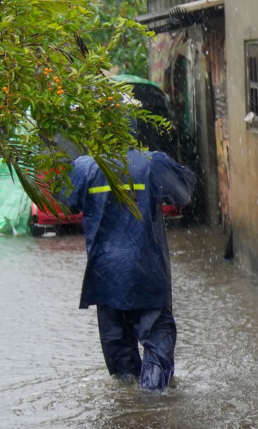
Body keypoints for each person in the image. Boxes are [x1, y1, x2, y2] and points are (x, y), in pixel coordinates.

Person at [68, 128, 196, 391]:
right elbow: (184, 192)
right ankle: (153, 409)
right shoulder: (152, 163)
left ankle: (130, 413)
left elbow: (67, 201)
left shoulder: (84, 167)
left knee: (120, 360)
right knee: (157, 345)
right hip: (147, 272)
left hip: (104, 277)